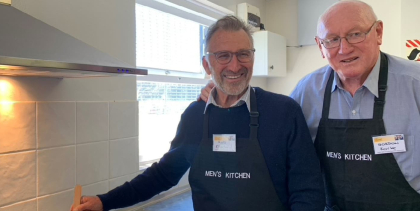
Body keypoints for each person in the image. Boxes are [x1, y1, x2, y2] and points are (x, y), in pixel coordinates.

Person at [71, 15, 325, 211]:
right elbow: (162, 175)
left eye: (243, 54)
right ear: (207, 64)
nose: (235, 65)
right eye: (223, 56)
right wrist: (104, 202)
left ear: (252, 58)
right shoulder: (195, 116)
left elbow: (308, 190)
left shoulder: (283, 112)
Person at [199, 1, 420, 210]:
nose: (344, 49)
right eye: (332, 39)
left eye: (355, 35)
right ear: (320, 46)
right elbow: (266, 125)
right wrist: (221, 93)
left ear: (378, 32)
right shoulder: (307, 91)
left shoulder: (415, 85)